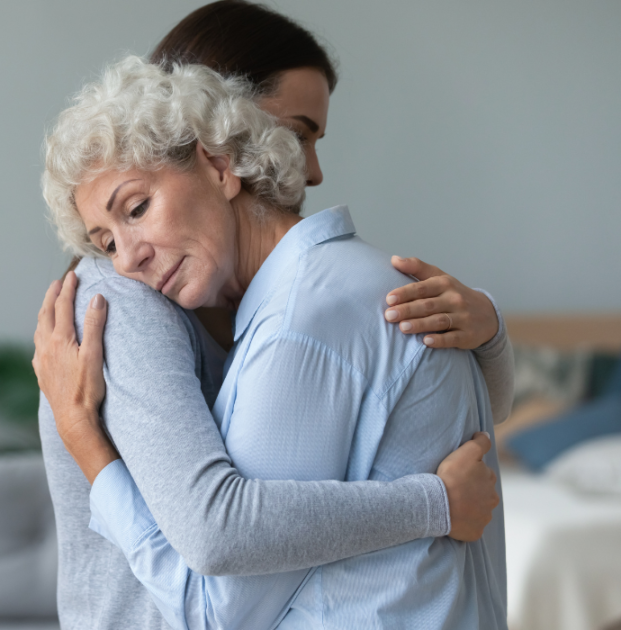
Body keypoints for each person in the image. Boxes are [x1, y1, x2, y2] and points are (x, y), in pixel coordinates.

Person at [35, 4, 512, 629]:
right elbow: (220, 545)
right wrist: (433, 504)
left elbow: (468, 415)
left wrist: (489, 332)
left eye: (138, 210)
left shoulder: (296, 301)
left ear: (217, 157)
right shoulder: (128, 301)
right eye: (296, 131)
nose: (307, 168)